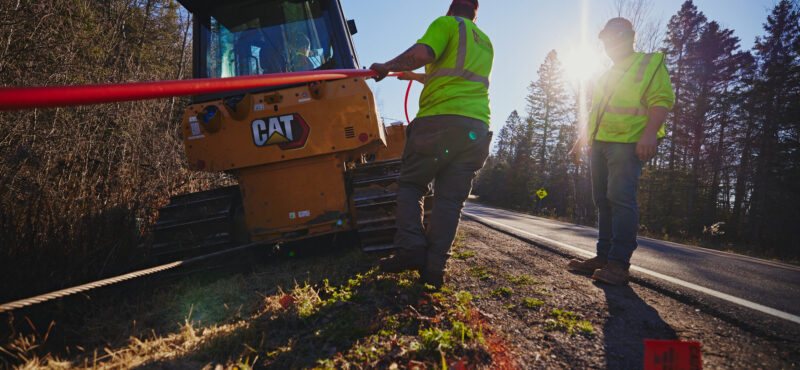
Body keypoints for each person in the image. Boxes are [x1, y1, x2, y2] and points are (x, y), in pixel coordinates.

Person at [370, 0, 493, 288]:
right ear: (476, 13)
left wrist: (386, 67)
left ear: (451, 8)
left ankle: (411, 248)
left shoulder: (445, 24)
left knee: (412, 185)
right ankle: (434, 269)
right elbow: (453, 75)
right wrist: (414, 77)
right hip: (475, 128)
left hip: (438, 122)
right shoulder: (485, 42)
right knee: (450, 201)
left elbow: (423, 53)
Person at [567, 18, 675, 285]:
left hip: (628, 142)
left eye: (613, 38)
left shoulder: (649, 63)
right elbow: (595, 113)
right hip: (600, 143)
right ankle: (603, 257)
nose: (608, 45)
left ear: (628, 37)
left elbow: (661, 100)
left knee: (620, 198)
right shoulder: (606, 75)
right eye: (605, 41)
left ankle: (618, 264)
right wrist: (580, 141)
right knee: (602, 201)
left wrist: (650, 133)